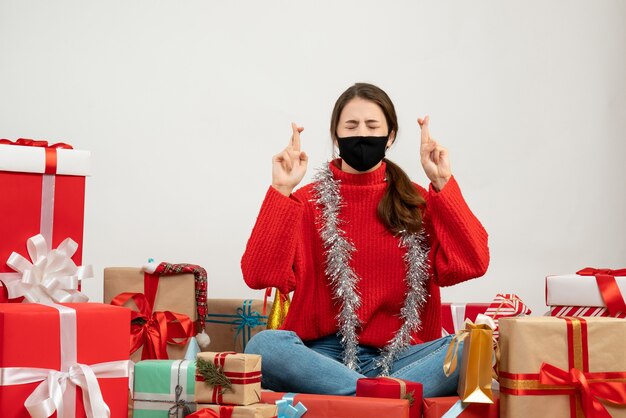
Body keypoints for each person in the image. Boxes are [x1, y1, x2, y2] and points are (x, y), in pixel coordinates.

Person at [241, 82, 489, 397]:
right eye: (351, 125)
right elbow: (257, 274)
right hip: (322, 357)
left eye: (372, 126)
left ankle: (363, 400)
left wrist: (442, 182)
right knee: (264, 346)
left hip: (403, 356)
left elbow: (473, 263)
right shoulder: (306, 202)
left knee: (473, 346)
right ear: (336, 136)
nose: (361, 134)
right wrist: (281, 190)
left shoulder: (416, 200)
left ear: (390, 136)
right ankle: (384, 400)